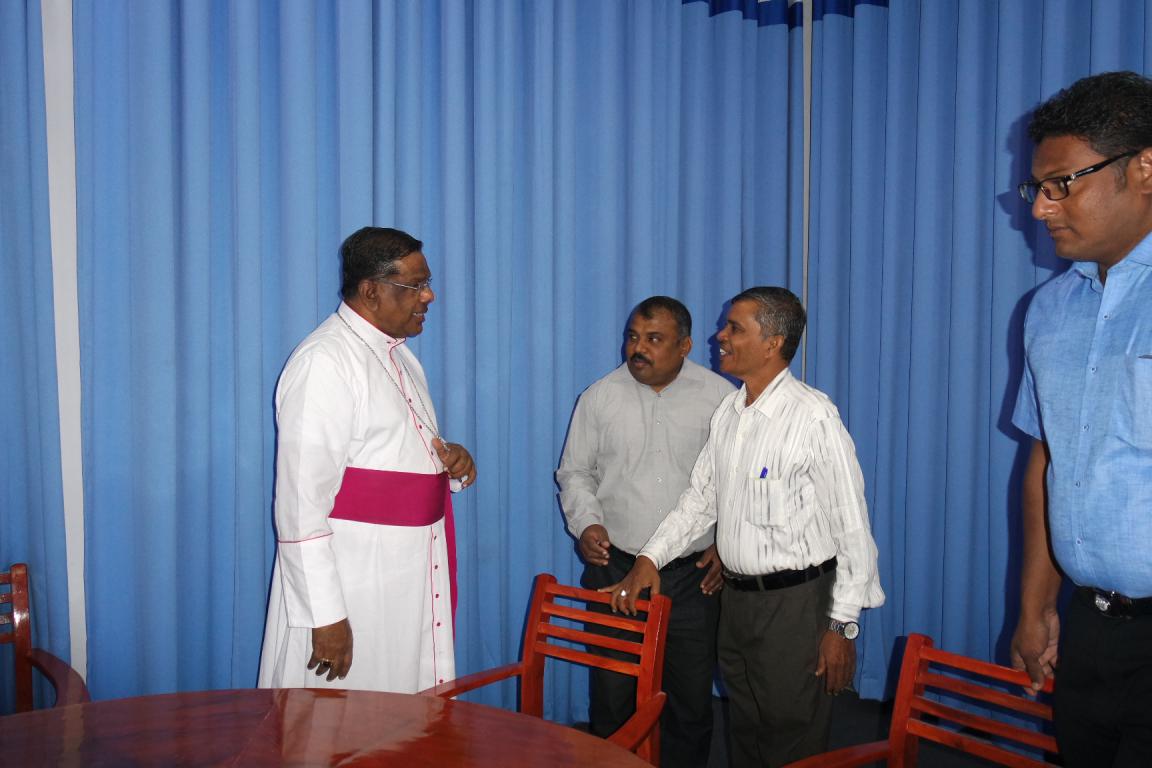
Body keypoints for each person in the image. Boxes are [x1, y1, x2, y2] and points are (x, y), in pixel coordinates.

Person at [605, 287, 884, 768]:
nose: (720, 336)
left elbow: (853, 528)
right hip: (736, 604)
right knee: (748, 729)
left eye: (735, 328)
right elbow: (699, 501)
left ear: (772, 343)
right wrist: (650, 557)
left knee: (790, 737)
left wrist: (842, 626)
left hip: (795, 607)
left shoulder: (813, 417)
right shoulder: (730, 413)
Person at [258, 226, 476, 692]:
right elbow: (299, 505)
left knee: (401, 713)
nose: (429, 296)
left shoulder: (401, 357)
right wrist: (326, 615)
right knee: (338, 720)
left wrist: (450, 463)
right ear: (370, 291)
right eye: (415, 285)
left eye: (427, 283)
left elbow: (390, 456)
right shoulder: (324, 363)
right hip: (355, 583)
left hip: (403, 578)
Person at [1010, 71, 1152, 767]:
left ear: (1144, 168)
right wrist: (1036, 606)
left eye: (1062, 184)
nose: (1042, 207)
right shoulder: (1048, 311)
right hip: (1090, 627)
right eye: (1037, 188)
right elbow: (1048, 460)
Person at [557, 296, 735, 767]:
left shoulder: (721, 399)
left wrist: (725, 543)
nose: (638, 348)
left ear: (685, 346)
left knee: (689, 701)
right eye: (633, 337)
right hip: (615, 568)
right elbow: (575, 473)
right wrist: (587, 522)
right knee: (612, 695)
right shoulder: (599, 397)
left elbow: (735, 483)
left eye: (654, 339)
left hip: (692, 577)